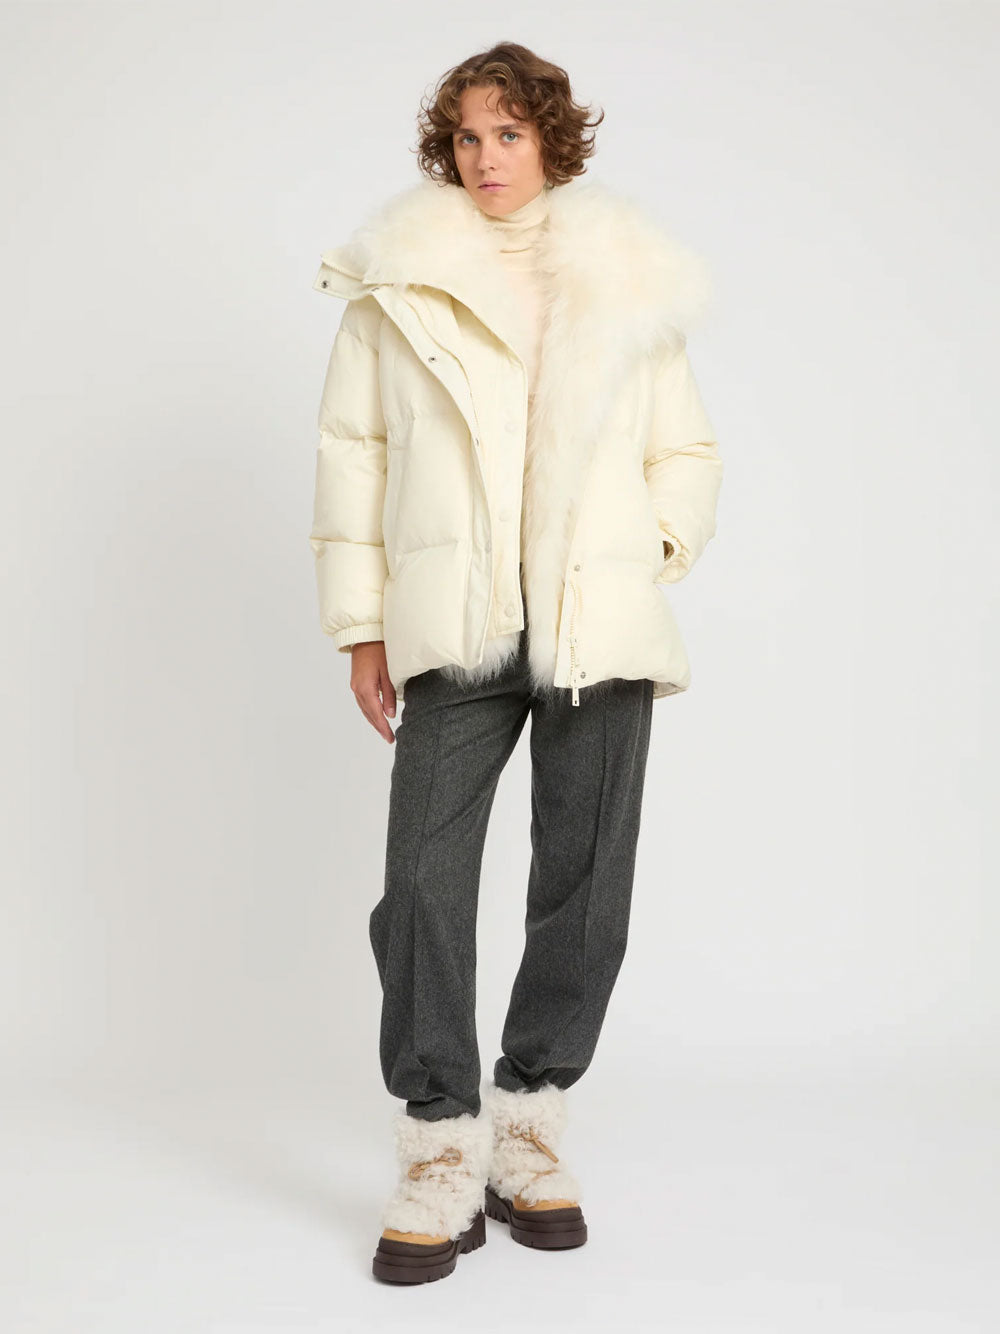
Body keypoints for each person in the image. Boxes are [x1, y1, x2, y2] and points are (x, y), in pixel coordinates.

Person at [309, 41, 723, 1283]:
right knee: (421, 883)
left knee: (585, 885)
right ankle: (439, 1143)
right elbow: (354, 458)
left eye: (509, 133)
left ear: (552, 139)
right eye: (467, 136)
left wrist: (641, 551)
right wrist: (362, 626)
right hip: (460, 622)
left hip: (597, 625)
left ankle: (529, 1123)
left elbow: (684, 452)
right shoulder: (397, 283)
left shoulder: (627, 276)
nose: (486, 157)